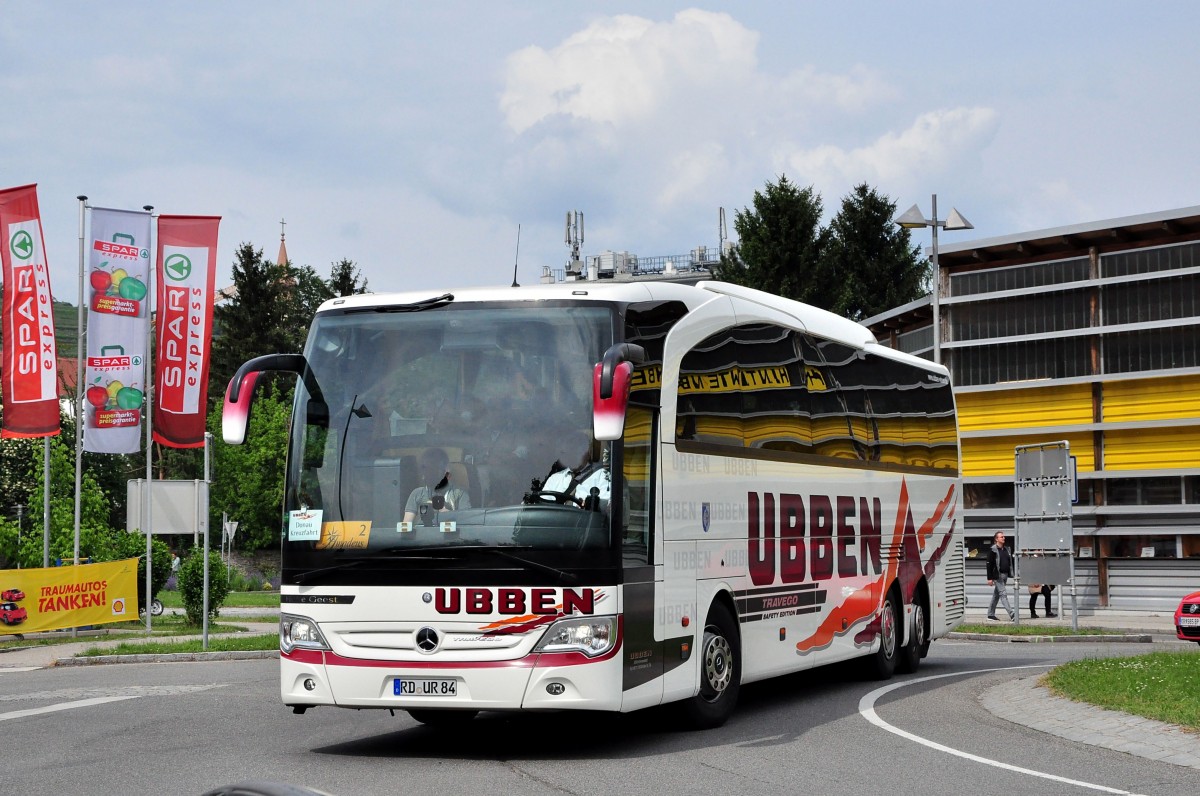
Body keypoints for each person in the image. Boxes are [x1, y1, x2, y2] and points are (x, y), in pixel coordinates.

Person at [542, 430, 610, 508]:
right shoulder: (555, 478)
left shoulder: (602, 476)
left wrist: (590, 504)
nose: (573, 455)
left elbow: (607, 507)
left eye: (578, 451)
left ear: (588, 452)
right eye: (569, 451)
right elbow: (543, 505)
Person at [403, 448, 470, 526]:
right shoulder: (417, 494)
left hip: (449, 537)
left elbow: (466, 522)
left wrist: (446, 514)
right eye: (424, 468)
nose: (426, 473)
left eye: (432, 468)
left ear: (445, 470)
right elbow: (406, 527)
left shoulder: (460, 493)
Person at [985, 531, 1016, 621]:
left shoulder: (1007, 549)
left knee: (996, 595)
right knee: (1003, 594)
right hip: (997, 576)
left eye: (1004, 537)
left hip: (1005, 575)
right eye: (1001, 537)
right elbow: (989, 565)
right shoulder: (993, 550)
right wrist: (989, 578)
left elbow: (1011, 562)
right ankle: (1012, 614)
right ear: (996, 539)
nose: (1003, 538)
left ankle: (990, 615)